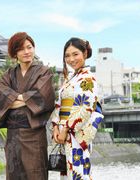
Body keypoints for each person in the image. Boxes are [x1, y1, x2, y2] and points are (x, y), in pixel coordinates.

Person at [0, 32, 55, 180]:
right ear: (15, 52)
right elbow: (1, 97)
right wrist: (28, 98)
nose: (27, 52)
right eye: (21, 49)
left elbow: (43, 98)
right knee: (14, 173)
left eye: (30, 47)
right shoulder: (8, 75)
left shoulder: (43, 72)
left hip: (34, 134)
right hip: (13, 135)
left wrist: (14, 99)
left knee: (36, 173)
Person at [50, 37, 104, 179]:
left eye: (75, 54)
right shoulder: (71, 79)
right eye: (67, 55)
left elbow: (86, 107)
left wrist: (66, 129)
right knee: (67, 174)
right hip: (64, 133)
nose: (71, 59)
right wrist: (55, 126)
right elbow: (59, 105)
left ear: (84, 54)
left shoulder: (88, 79)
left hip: (76, 134)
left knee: (79, 173)